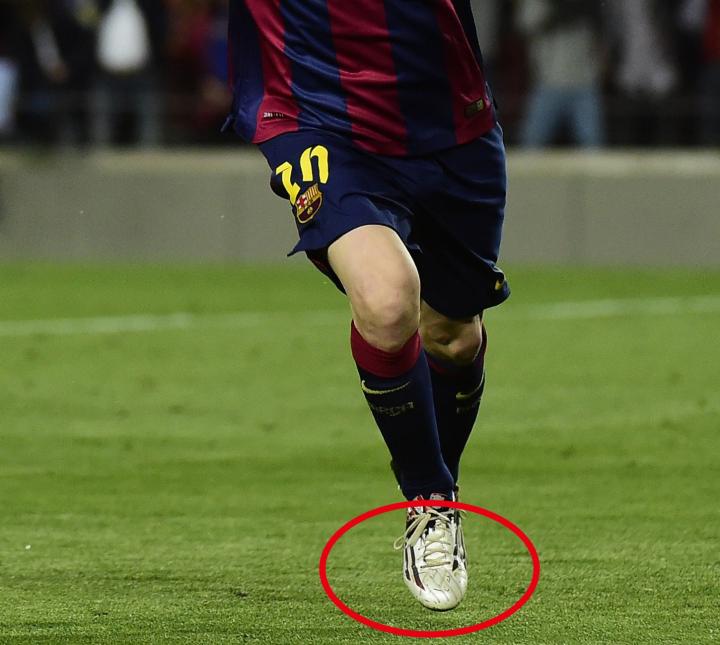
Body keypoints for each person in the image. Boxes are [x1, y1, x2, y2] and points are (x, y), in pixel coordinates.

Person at [226, 0, 510, 611]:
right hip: (317, 120)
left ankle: (437, 491)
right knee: (386, 300)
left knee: (454, 336)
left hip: (451, 130)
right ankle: (431, 503)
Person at [517, 0, 605, 148]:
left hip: (584, 82)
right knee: (530, 144)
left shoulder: (587, 5)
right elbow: (525, 25)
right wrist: (558, 11)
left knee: (593, 146)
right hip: (549, 82)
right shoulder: (537, 4)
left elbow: (599, 34)